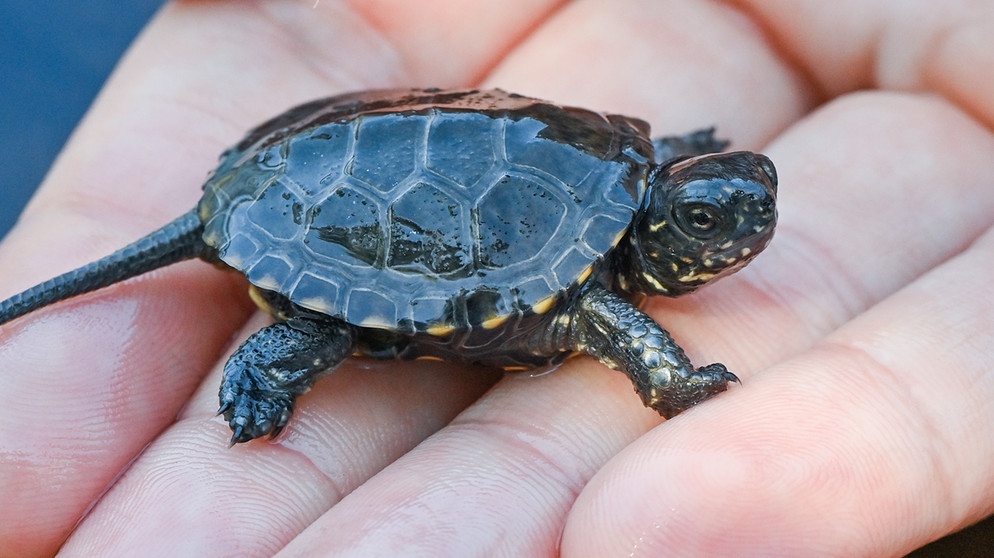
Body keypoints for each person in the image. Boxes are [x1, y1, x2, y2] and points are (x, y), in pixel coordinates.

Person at [1, 1, 992, 555]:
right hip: (305, 192)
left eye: (736, 205)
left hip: (321, 150)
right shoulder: (598, 278)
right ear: (660, 225)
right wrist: (678, 385)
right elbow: (628, 338)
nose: (743, 221)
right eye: (705, 217)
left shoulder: (622, 177)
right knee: (338, 322)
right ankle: (276, 357)